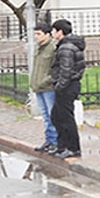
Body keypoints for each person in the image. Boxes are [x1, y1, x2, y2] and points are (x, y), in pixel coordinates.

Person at [49, 19, 86, 159]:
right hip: (67, 85)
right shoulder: (66, 45)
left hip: (67, 86)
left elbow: (66, 69)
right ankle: (62, 146)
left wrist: (59, 86)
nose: (52, 33)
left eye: (53, 30)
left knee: (66, 118)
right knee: (57, 117)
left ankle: (73, 148)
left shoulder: (66, 48)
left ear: (60, 32)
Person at [31, 23, 58, 153]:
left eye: (39, 34)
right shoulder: (39, 48)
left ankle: (55, 142)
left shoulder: (52, 48)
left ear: (47, 34)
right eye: (35, 34)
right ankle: (49, 141)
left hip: (48, 87)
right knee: (45, 116)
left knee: (52, 115)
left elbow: (55, 69)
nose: (36, 37)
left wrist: (46, 81)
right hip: (39, 87)